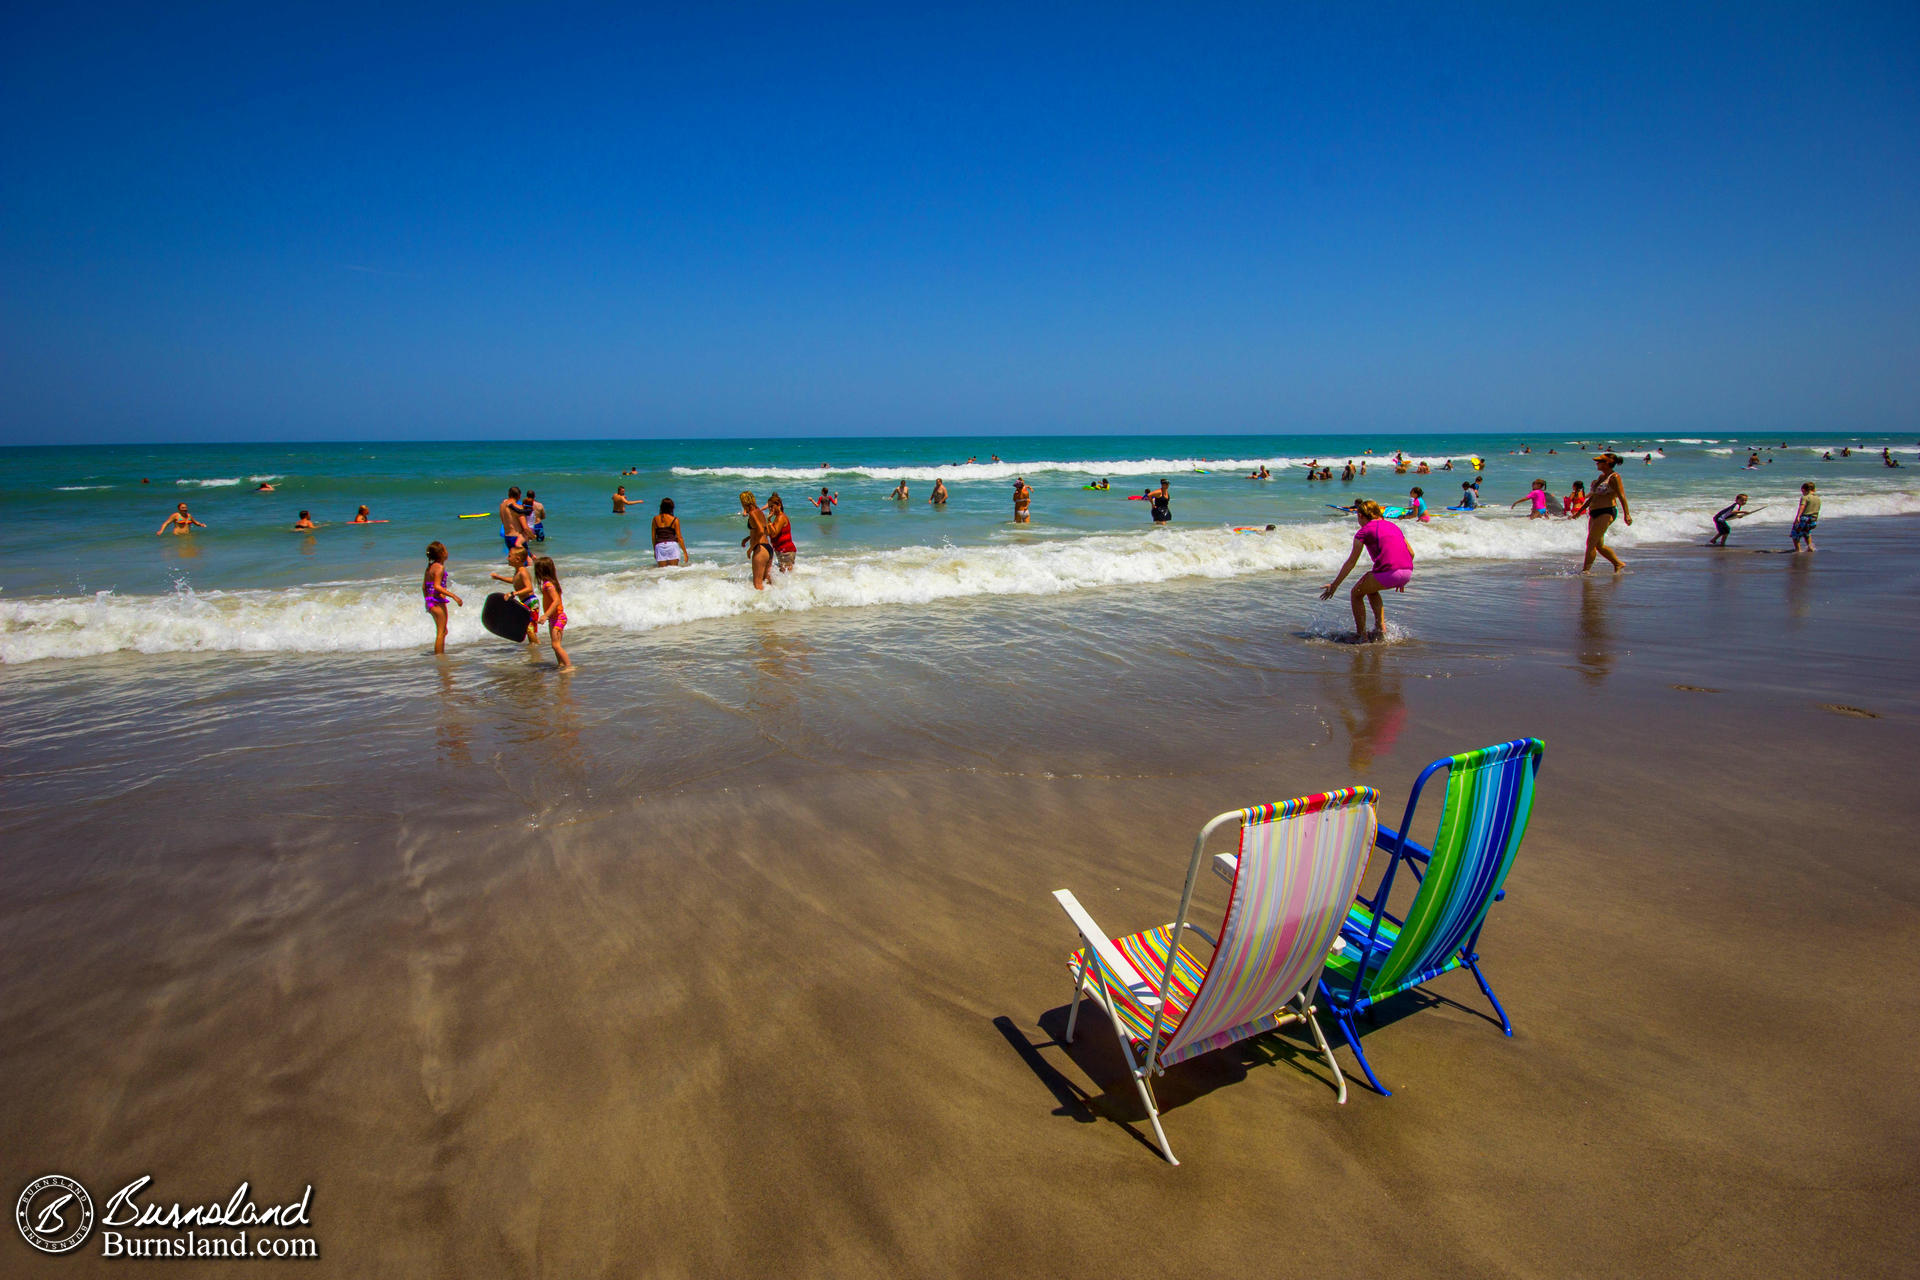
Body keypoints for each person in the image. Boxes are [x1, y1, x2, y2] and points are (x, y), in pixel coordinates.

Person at [1320, 499, 1414, 644]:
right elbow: (1411, 553)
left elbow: (1351, 562)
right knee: (1370, 588)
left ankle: (1361, 635)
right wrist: (1401, 574)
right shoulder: (1393, 526)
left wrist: (1335, 585)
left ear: (1361, 515)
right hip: (1406, 571)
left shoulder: (1364, 531)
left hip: (1389, 573)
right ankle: (1380, 629)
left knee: (1356, 593)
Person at [1583, 453, 1632, 573]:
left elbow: (1622, 496)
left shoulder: (1614, 477)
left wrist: (1627, 514)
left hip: (1607, 511)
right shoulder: (1601, 477)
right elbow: (1592, 497)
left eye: (1599, 462)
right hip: (1594, 512)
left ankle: (1585, 571)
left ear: (1608, 463)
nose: (1597, 463)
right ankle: (1618, 563)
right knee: (1599, 545)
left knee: (1590, 543)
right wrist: (1578, 512)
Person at [490, 545, 541, 644]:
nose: (507, 558)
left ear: (517, 559)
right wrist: (499, 577)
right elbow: (514, 581)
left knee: (530, 629)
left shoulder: (523, 572)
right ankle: (533, 645)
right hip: (524, 602)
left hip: (531, 602)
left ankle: (536, 648)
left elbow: (529, 588)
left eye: (509, 556)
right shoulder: (517, 572)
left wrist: (514, 593)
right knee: (527, 629)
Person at [422, 541, 463, 655]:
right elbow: (437, 586)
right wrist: (455, 596)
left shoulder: (429, 567)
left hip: (431, 602)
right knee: (441, 632)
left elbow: (424, 587)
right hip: (437, 603)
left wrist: (427, 601)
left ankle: (439, 656)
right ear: (441, 553)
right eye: (445, 550)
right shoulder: (439, 567)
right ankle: (439, 658)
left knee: (443, 631)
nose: (447, 552)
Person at [532, 556, 572, 670]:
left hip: (558, 618)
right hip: (554, 619)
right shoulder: (550, 583)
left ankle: (569, 666)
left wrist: (545, 615)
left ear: (540, 571)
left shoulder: (548, 586)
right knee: (556, 645)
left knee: (555, 645)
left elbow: (556, 601)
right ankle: (561, 664)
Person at [739, 491, 774, 589]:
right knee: (767, 581)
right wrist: (748, 538)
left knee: (757, 584)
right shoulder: (759, 511)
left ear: (745, 502)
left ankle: (761, 604)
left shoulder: (753, 513)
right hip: (768, 549)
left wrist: (751, 547)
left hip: (760, 549)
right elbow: (765, 530)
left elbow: (760, 530)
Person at [651, 498, 690, 566]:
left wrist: (655, 550)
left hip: (659, 546)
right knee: (673, 571)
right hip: (672, 545)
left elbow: (653, 537)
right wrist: (685, 552)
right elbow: (679, 537)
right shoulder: (675, 520)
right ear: (672, 507)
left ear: (661, 507)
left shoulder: (655, 519)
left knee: (662, 571)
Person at [767, 492, 797, 572]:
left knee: (786, 574)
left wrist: (769, 520)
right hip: (782, 550)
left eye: (772, 506)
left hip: (786, 551)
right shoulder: (777, 517)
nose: (770, 509)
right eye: (769, 507)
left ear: (779, 505)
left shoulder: (781, 517)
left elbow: (774, 534)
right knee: (784, 574)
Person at [499, 486, 531, 552]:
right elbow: (525, 527)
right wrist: (532, 536)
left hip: (507, 537)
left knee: (515, 560)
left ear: (508, 494)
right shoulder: (518, 507)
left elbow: (503, 521)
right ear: (519, 496)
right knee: (525, 560)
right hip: (516, 536)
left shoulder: (502, 506)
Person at [1790, 483, 1820, 552]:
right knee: (1807, 533)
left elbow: (1802, 507)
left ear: (1803, 489)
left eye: (1802, 491)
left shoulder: (1805, 497)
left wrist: (1798, 517)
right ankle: (1810, 548)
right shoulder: (1818, 499)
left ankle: (1798, 550)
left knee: (1795, 534)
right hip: (1813, 520)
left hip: (1804, 519)